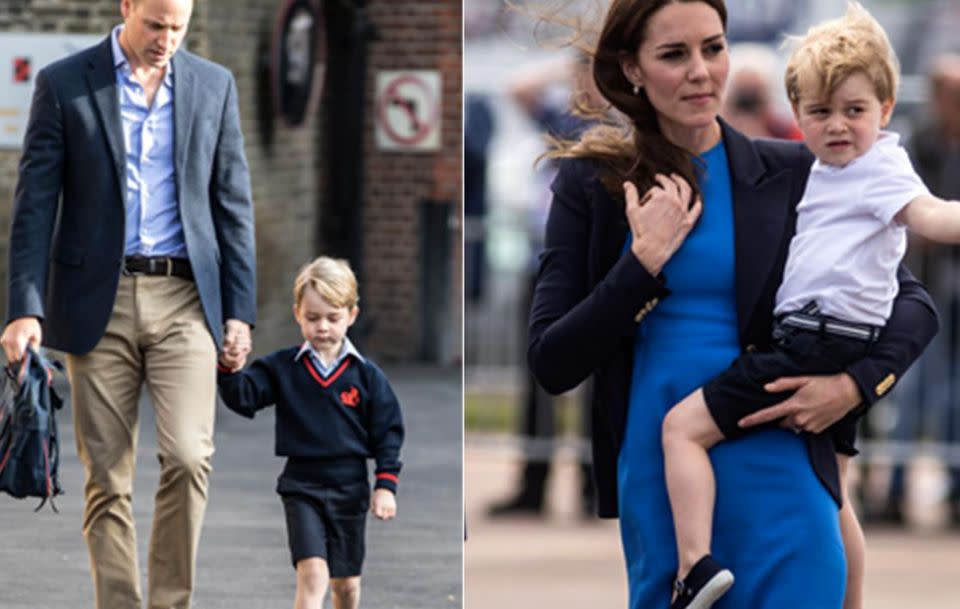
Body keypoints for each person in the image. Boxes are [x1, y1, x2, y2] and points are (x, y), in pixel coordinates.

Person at [527, 1, 938, 608]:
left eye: (713, 48)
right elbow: (552, 361)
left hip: (784, 448)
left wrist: (854, 386)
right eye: (674, 54)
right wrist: (640, 266)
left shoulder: (800, 169)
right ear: (631, 68)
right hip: (666, 466)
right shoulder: (592, 183)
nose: (701, 71)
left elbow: (912, 303)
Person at [660, 5, 960, 608]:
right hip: (838, 338)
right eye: (820, 113)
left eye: (855, 110)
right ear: (797, 115)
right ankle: (849, 601)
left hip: (815, 339)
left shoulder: (879, 168)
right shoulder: (821, 170)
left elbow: (929, 215)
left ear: (886, 108)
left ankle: (693, 565)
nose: (838, 127)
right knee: (835, 493)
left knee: (681, 430)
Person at [0, 1, 257, 608]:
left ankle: (170, 603)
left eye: (178, 27)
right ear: (128, 9)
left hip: (185, 299)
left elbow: (233, 205)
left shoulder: (214, 87)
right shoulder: (65, 84)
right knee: (108, 478)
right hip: (98, 301)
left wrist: (240, 311)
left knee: (190, 457)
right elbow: (36, 206)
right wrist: (24, 309)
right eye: (155, 24)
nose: (166, 39)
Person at [217, 256, 403, 609]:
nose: (322, 328)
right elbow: (245, 397)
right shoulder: (283, 368)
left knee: (345, 586)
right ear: (297, 314)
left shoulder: (367, 377)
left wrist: (385, 486)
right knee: (313, 574)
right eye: (313, 317)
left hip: (350, 488)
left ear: (352, 315)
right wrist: (228, 368)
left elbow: (388, 433)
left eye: (333, 318)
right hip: (302, 486)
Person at [488, 54, 600, 518]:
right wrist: (567, 68)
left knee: (601, 381)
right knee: (538, 374)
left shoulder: (619, 124)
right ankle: (534, 483)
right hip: (549, 260)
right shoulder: (563, 118)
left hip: (598, 267)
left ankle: (594, 487)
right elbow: (516, 85)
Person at [878, 52, 960, 526]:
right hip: (921, 288)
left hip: (951, 287)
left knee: (951, 395)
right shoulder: (914, 146)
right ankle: (892, 489)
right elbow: (915, 216)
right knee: (911, 394)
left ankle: (952, 491)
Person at [721, 42, 802, 140]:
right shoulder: (711, 135)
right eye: (742, 102)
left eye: (755, 101)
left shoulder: (788, 134)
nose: (747, 112)